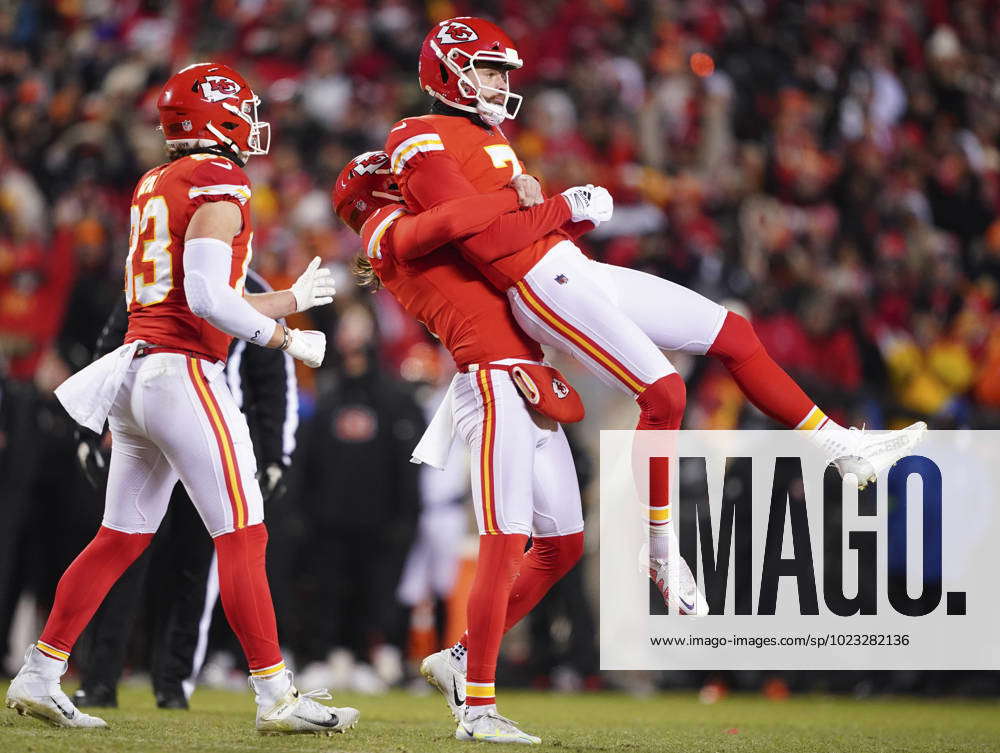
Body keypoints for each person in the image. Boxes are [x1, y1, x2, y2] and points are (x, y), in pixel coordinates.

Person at [384, 17, 927, 614]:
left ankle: (837, 445)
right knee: (665, 394)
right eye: (487, 70)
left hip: (573, 269)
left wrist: (564, 215)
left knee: (733, 333)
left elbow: (510, 225)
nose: (497, 83)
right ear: (448, 70)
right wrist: (564, 204)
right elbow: (484, 242)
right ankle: (661, 547)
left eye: (499, 72)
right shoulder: (421, 133)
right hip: (540, 285)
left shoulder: (483, 134)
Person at [4, 62, 357, 735]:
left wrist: (285, 299)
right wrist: (285, 337)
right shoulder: (219, 179)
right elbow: (203, 299)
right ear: (215, 116)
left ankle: (41, 672)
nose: (253, 124)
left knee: (119, 537)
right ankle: (275, 694)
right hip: (183, 376)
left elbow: (194, 297)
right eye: (242, 110)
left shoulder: (157, 181)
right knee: (244, 530)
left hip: (138, 372)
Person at [333, 151, 601, 744]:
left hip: (526, 379)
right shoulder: (388, 235)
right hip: (489, 381)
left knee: (563, 543)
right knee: (504, 541)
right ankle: (477, 709)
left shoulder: (419, 236)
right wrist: (536, 198)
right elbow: (454, 221)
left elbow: (490, 237)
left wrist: (561, 220)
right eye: (400, 181)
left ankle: (460, 658)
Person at [70, 267, 297, 710]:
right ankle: (100, 677)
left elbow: (273, 379)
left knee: (171, 559)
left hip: (169, 418)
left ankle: (169, 682)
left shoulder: (165, 274)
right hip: (196, 417)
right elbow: (113, 343)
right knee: (137, 554)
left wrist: (276, 455)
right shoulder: (168, 275)